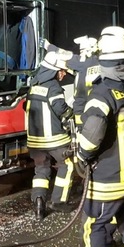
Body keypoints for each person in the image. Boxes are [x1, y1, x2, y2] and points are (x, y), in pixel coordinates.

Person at [77, 31, 124, 247]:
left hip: (107, 181)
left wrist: (82, 155)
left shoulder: (101, 93)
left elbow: (92, 136)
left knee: (96, 226)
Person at [26, 51, 76, 220]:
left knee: (41, 169)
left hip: (35, 140)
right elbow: (60, 108)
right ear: (54, 70)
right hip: (55, 139)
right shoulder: (53, 86)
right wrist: (73, 114)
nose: (63, 74)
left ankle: (39, 202)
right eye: (62, 71)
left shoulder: (34, 84)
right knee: (67, 164)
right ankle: (58, 201)